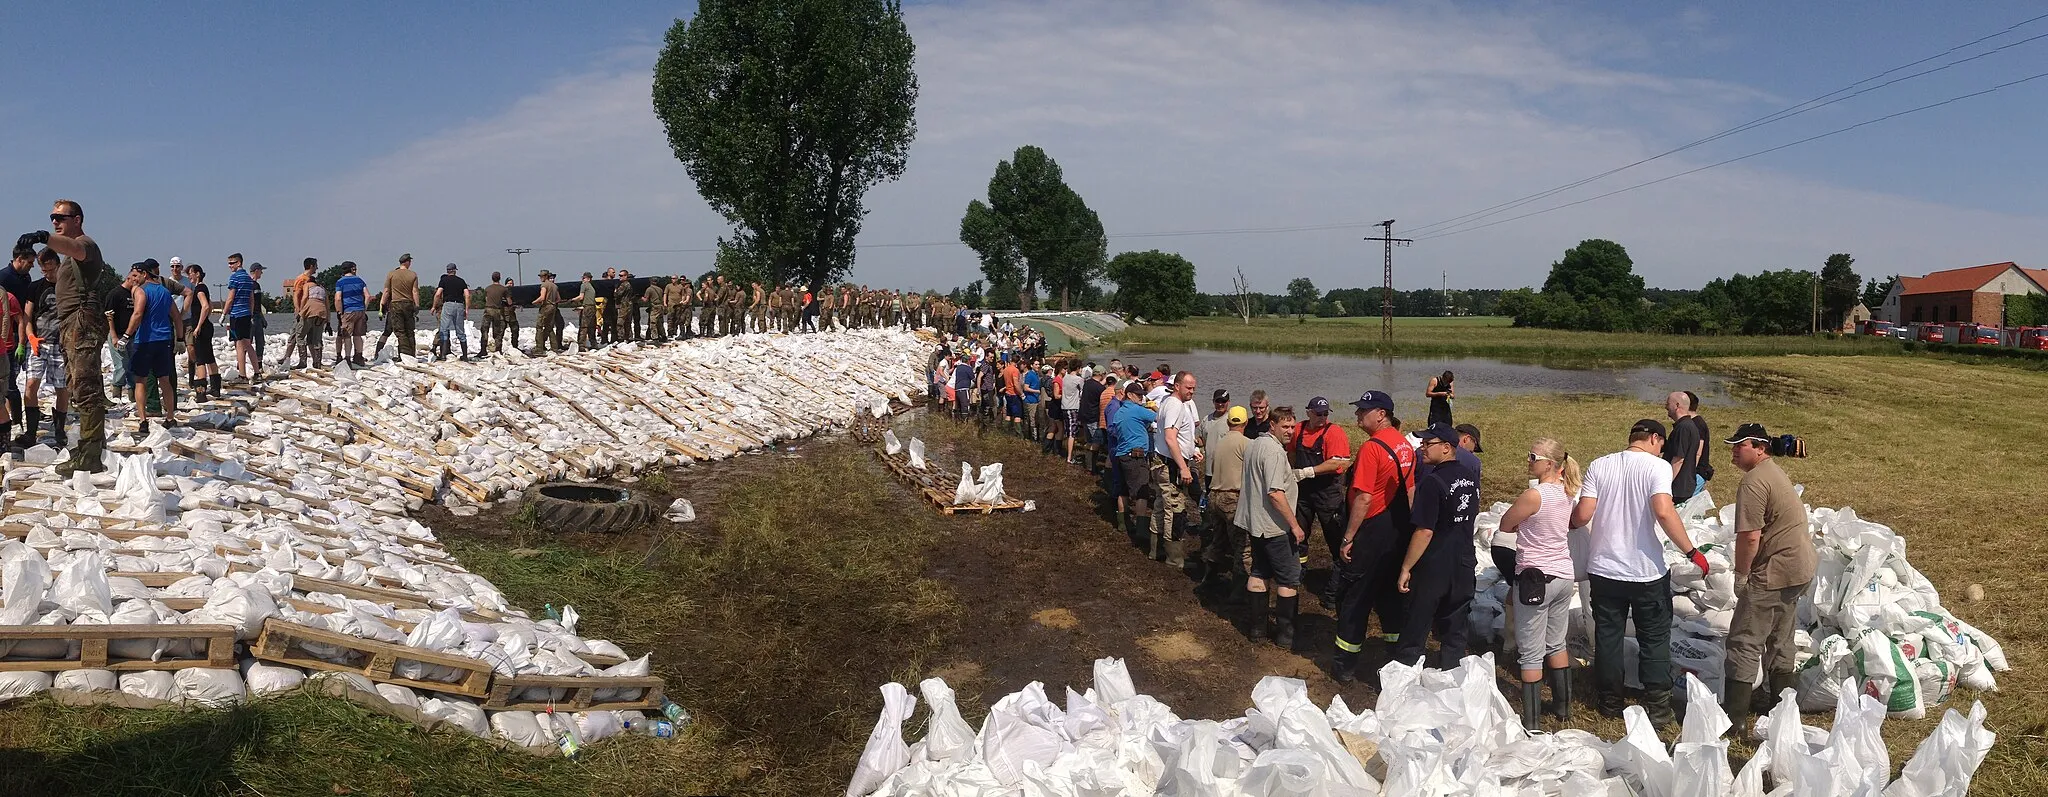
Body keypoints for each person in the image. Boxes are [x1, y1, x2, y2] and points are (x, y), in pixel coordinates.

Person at [1569, 419, 1710, 727]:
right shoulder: (1657, 467)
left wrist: (1565, 523)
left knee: (1608, 636)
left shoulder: (1600, 465)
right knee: (1654, 637)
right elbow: (1663, 509)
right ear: (1655, 439)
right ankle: (1658, 707)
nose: (1662, 450)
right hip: (1646, 572)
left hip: (1604, 570)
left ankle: (1609, 702)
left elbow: (1582, 515)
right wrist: (1691, 551)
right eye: (1662, 444)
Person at [1719, 423, 1815, 733]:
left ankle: (1734, 721)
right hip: (1799, 568)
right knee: (1781, 637)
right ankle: (1781, 708)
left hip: (1774, 571)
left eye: (1741, 445)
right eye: (1733, 445)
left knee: (1744, 641)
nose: (1734, 450)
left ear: (1760, 448)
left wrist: (1742, 575)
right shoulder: (1773, 471)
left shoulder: (1753, 482)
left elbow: (1749, 537)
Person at [21, 200, 114, 473]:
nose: (55, 221)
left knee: (85, 387)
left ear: (77, 219)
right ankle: (90, 446)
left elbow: (74, 247)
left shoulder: (85, 245)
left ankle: (90, 455)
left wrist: (44, 238)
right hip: (72, 323)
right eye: (52, 217)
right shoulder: (68, 256)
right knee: (78, 384)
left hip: (81, 322)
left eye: (60, 217)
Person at [1495, 436, 1582, 729]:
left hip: (1534, 578)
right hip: (1563, 575)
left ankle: (1531, 722)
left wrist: (1523, 524)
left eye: (1532, 457)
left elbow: (1506, 523)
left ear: (1549, 463)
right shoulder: (1567, 491)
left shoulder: (1534, 496)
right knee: (1556, 642)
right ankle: (1563, 708)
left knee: (1531, 652)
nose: (1528, 461)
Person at [1331, 390, 1414, 682]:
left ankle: (1345, 665)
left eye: (1363, 410)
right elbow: (1411, 491)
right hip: (1398, 529)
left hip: (1372, 530)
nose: (1357, 415)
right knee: (1391, 595)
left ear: (1381, 414)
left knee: (1356, 596)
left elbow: (1364, 498)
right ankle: (1396, 660)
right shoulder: (1405, 446)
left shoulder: (1372, 448)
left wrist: (1348, 537)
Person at [1392, 424, 1480, 669]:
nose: (1422, 448)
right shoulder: (1470, 477)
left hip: (1435, 563)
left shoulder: (1432, 482)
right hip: (1463, 559)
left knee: (1417, 623)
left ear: (1446, 448)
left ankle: (1404, 677)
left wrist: (1406, 567)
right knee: (1455, 625)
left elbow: (1424, 531)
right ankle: (1452, 677)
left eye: (1427, 443)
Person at [1236, 406, 1315, 647]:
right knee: (1288, 579)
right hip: (1275, 527)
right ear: (1272, 425)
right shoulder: (1274, 452)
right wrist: (1295, 525)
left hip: (1255, 523)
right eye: (1285, 427)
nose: (1290, 431)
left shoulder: (1253, 444)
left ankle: (1257, 631)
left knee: (1259, 572)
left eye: (1293, 427)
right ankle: (1285, 636)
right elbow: (1275, 493)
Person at [1289, 396, 1353, 609]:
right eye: (1318, 413)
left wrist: (1307, 471)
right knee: (1299, 535)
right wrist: (1292, 474)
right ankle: (1297, 574)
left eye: (1325, 414)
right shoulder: (1298, 430)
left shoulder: (1334, 432)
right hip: (1304, 494)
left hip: (1328, 494)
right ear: (1308, 412)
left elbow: (1338, 463)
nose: (1322, 418)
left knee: (1336, 540)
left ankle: (1333, 593)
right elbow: (1291, 453)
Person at [15, 249, 68, 449]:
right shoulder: (35, 287)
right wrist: (30, 337)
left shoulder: (68, 288)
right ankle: (30, 432)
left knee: (62, 388)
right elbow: (27, 316)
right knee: (31, 385)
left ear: (58, 265)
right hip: (39, 343)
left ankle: (60, 431)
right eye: (43, 270)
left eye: (50, 270)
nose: (46, 274)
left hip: (60, 345)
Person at [1152, 371, 1202, 570]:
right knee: (1175, 509)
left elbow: (1179, 436)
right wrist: (1184, 467)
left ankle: (1155, 550)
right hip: (1170, 464)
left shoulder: (1168, 403)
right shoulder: (1174, 405)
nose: (1192, 392)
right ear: (1177, 386)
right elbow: (1170, 438)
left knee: (1160, 505)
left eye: (1194, 388)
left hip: (1163, 460)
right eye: (1188, 387)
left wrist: (1193, 449)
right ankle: (1174, 559)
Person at [121, 261, 179, 431]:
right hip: (164, 340)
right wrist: (180, 338)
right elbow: (176, 316)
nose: (134, 279)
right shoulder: (165, 292)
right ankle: (170, 417)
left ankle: (143, 420)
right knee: (165, 380)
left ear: (144, 274)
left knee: (140, 380)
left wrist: (126, 335)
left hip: (145, 340)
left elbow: (138, 313)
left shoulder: (140, 290)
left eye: (136, 275)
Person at [1202, 404, 1253, 590]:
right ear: (1246, 422)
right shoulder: (1246, 443)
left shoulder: (1220, 442)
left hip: (1214, 496)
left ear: (1229, 422)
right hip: (1232, 499)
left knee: (1219, 539)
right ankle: (1240, 590)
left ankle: (1208, 578)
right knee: (1243, 546)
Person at [1109, 380, 1160, 544]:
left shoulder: (1119, 412)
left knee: (1123, 490)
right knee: (1142, 492)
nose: (1141, 398)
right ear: (1130, 395)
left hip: (1121, 454)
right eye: (1139, 395)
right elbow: (1161, 418)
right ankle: (1141, 529)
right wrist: (1154, 407)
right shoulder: (1138, 410)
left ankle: (1122, 524)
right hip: (1136, 456)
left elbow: (1116, 431)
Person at [1664, 392, 1706, 505]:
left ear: (1677, 405)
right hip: (1683, 486)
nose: (1665, 406)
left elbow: (1679, 460)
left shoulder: (1684, 428)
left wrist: (1665, 484)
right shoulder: (1688, 426)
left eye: (1668, 403)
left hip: (1677, 488)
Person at [184, 265, 219, 398]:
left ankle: (201, 392)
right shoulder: (204, 288)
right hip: (206, 327)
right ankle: (215, 388)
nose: (189, 276)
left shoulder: (199, 289)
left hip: (201, 329)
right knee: (209, 357)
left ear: (197, 274)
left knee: (200, 359)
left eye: (191, 273)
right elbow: (210, 306)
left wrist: (198, 326)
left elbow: (205, 306)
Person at [223, 256, 259, 383]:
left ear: (239, 263)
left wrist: (224, 313)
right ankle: (257, 372)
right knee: (248, 344)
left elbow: (230, 298)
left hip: (236, 314)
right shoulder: (249, 279)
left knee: (239, 345)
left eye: (232, 263)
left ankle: (242, 375)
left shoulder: (234, 278)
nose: (230, 266)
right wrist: (250, 313)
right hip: (246, 314)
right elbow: (251, 299)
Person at [378, 253, 420, 358]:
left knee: (400, 331)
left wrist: (382, 305)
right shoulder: (413, 274)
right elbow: (415, 291)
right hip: (408, 304)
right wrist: (417, 305)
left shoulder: (391, 274)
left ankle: (404, 355)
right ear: (407, 262)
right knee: (410, 330)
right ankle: (411, 354)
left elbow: (386, 291)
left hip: (396, 304)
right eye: (410, 261)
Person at [432, 263, 471, 361]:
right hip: (459, 305)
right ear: (455, 270)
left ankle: (443, 355)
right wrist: (466, 309)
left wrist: (433, 306)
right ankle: (465, 356)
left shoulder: (444, 280)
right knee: (460, 331)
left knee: (444, 329)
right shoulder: (461, 281)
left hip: (448, 304)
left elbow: (438, 294)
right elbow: (467, 295)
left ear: (447, 270)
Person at [333, 262, 368, 367]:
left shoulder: (340, 282)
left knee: (347, 335)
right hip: (360, 310)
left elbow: (338, 298)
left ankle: (347, 358)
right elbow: (368, 295)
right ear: (352, 269)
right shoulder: (360, 280)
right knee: (358, 335)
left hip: (348, 311)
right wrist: (364, 308)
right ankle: (359, 357)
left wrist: (340, 312)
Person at [532, 270, 563, 353]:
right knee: (549, 327)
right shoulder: (555, 286)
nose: (540, 278)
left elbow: (542, 297)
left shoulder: (544, 285)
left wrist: (534, 302)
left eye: (541, 276)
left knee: (539, 327)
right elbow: (559, 299)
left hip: (545, 307)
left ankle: (539, 348)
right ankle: (554, 348)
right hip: (553, 307)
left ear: (545, 276)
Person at [481, 271, 510, 355]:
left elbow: (486, 299)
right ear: (500, 278)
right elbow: (509, 301)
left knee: (484, 329)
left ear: (492, 278)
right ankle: (498, 349)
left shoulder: (487, 288)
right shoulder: (503, 289)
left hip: (488, 310)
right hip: (497, 311)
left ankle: (483, 350)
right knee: (497, 331)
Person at [575, 272, 599, 349]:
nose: (582, 280)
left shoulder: (584, 285)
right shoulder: (591, 287)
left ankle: (581, 345)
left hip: (587, 307)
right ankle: (594, 344)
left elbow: (581, 297)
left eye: (583, 278)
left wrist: (572, 300)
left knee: (583, 326)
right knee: (592, 326)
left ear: (588, 279)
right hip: (593, 307)